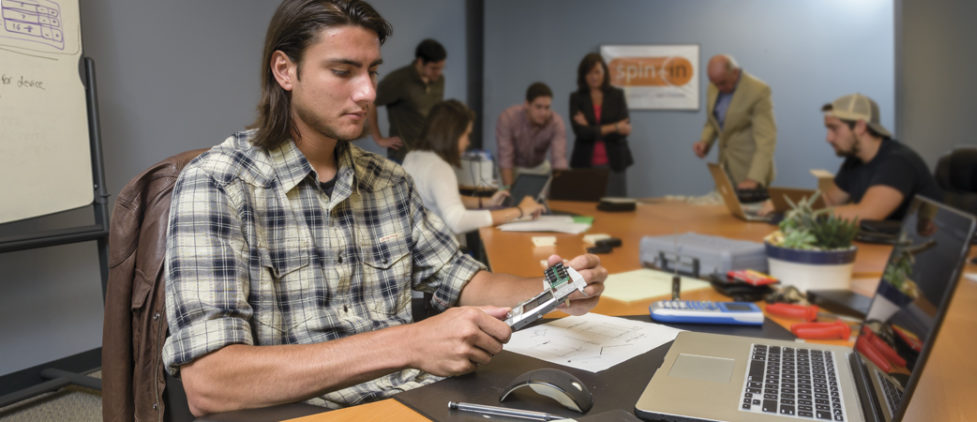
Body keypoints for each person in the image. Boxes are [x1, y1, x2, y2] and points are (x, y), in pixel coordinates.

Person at [162, 0, 606, 415]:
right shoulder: (217, 184)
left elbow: (467, 280)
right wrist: (410, 343)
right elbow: (210, 383)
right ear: (285, 70)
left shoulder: (389, 181)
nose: (368, 92)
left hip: (419, 397)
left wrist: (558, 291)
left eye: (372, 72)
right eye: (343, 71)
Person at [405, 99, 545, 234]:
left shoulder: (413, 156)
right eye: (466, 135)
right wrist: (519, 211)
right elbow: (458, 221)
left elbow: (445, 198)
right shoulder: (439, 168)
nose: (468, 142)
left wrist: (487, 202)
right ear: (453, 134)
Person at [820, 93, 941, 221]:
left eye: (834, 128)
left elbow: (866, 215)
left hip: (916, 240)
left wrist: (813, 216)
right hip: (879, 238)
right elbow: (830, 201)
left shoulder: (898, 162)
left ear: (860, 126)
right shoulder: (854, 161)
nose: (828, 138)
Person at [693, 54, 776, 189]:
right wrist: (705, 141)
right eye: (714, 83)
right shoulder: (713, 87)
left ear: (735, 72)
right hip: (724, 169)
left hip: (749, 171)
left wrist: (753, 178)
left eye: (722, 83)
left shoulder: (758, 91)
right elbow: (713, 121)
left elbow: (766, 139)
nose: (718, 87)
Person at [367, 38, 446, 163]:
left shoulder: (439, 80)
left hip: (429, 156)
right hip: (403, 157)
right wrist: (379, 139)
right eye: (434, 68)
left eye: (441, 68)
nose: (438, 73)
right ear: (420, 62)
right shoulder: (399, 80)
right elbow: (370, 102)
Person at [569, 53, 633, 197]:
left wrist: (591, 127)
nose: (594, 77)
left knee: (617, 209)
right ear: (583, 75)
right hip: (585, 164)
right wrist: (614, 126)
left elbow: (624, 129)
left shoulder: (617, 95)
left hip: (615, 163)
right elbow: (581, 133)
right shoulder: (576, 98)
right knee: (586, 208)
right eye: (589, 73)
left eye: (597, 72)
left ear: (604, 72)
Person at [495, 82, 568, 188]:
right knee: (506, 199)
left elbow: (559, 159)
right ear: (526, 105)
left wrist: (562, 190)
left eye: (547, 107)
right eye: (538, 107)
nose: (543, 113)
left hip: (540, 167)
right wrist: (508, 192)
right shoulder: (508, 118)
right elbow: (505, 159)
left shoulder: (556, 122)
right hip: (514, 168)